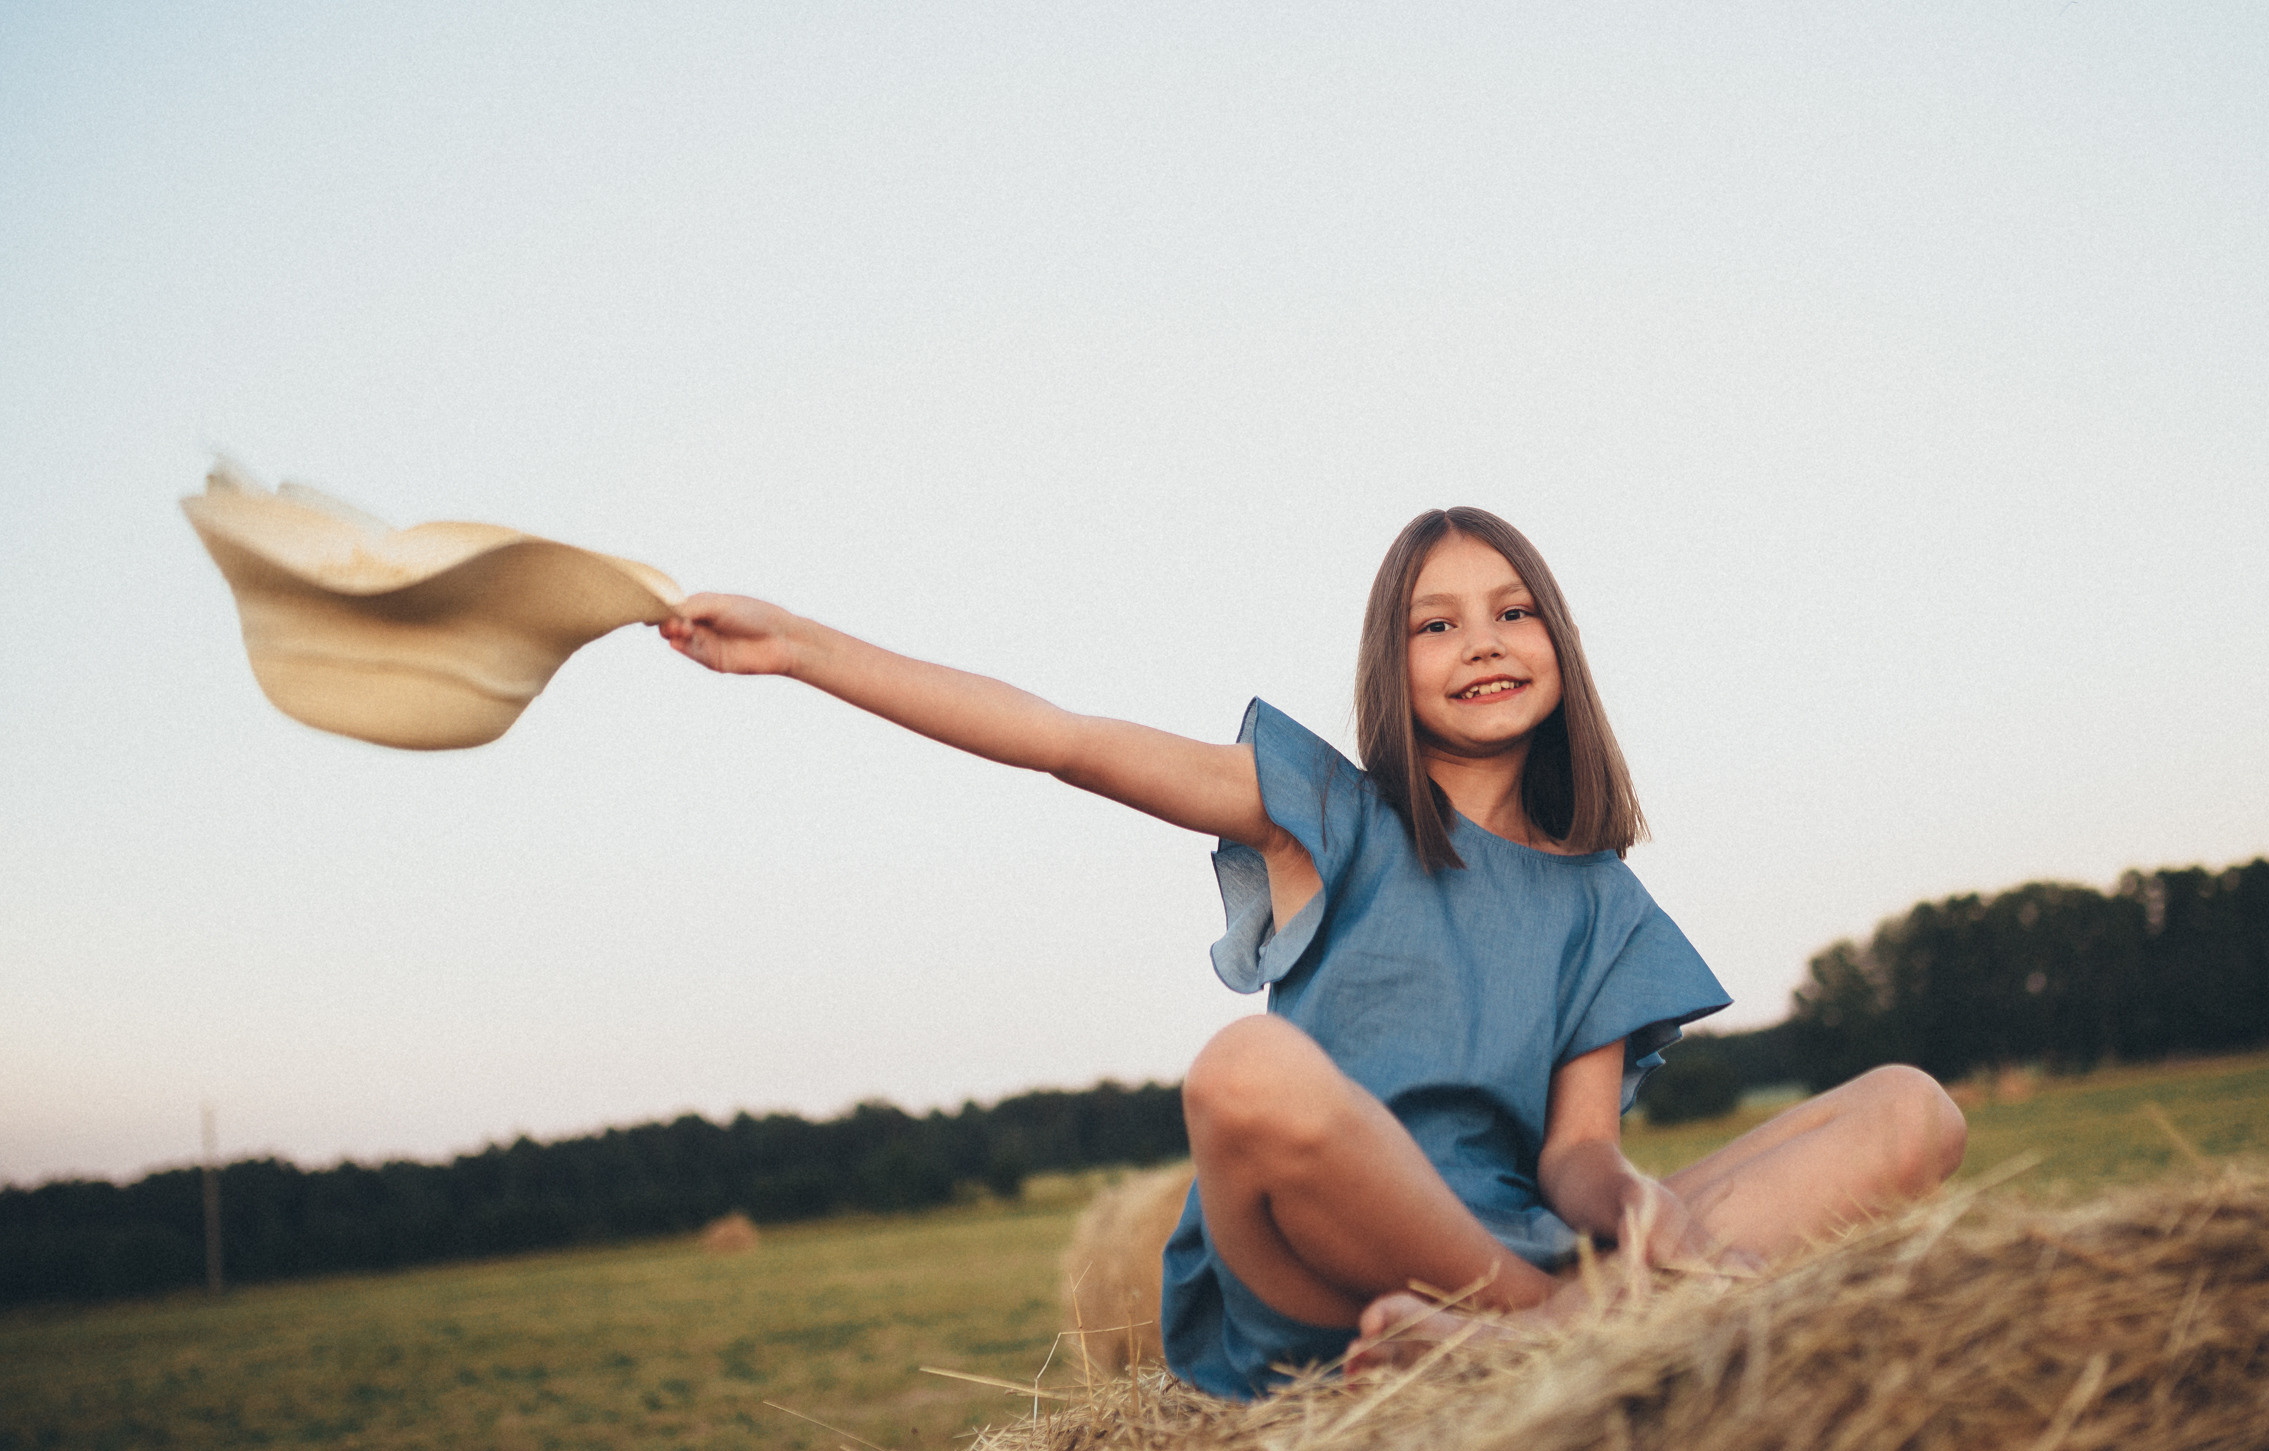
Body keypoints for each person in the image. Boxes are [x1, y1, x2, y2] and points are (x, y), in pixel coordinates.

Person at [658, 506, 1966, 1399]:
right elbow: (1063, 738)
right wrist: (805, 650)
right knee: (1245, 1073)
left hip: (1509, 1244)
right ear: (1390, 669)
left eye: (1513, 613)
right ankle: (1563, 1331)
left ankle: (1535, 1336)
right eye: (1436, 624)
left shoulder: (1605, 904)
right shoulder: (1331, 818)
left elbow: (1573, 1149)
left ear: (1560, 647)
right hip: (1312, 1260)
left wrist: (1631, 1207)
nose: (1482, 644)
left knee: (1911, 1107)